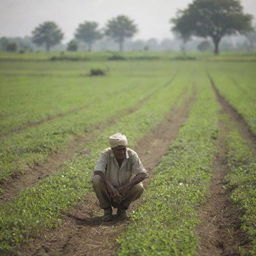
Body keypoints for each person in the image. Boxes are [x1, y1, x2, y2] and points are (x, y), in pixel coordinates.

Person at [92, 133, 148, 221]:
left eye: (123, 149)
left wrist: (126, 187)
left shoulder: (132, 154)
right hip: (108, 189)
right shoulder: (105, 154)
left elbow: (143, 174)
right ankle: (107, 211)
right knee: (96, 179)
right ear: (112, 149)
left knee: (139, 187)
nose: (122, 152)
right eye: (118, 150)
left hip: (125, 190)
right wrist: (109, 186)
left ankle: (122, 210)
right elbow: (98, 171)